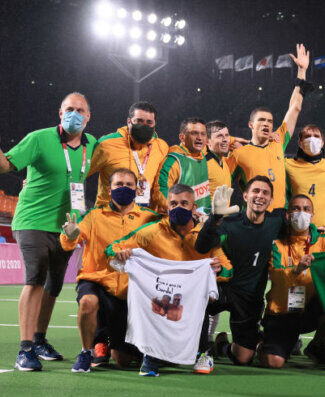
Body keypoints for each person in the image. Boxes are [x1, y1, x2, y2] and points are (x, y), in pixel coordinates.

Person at [0, 92, 98, 371]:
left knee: (54, 284)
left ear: (88, 116)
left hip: (67, 226)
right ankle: (25, 349)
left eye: (80, 110)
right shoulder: (39, 138)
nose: (75, 114)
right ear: (60, 113)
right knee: (36, 277)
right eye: (69, 109)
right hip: (32, 220)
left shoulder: (92, 145)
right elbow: (6, 165)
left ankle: (40, 340)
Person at [106, 184, 232, 376]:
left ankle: (203, 351)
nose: (178, 208)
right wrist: (120, 253)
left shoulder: (205, 234)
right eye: (173, 203)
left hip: (190, 297)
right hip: (160, 296)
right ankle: (151, 354)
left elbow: (228, 268)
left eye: (184, 203)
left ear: (194, 207)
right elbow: (113, 247)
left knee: (203, 297)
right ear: (166, 205)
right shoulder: (153, 231)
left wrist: (219, 268)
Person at [60, 168, 160, 372]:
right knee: (88, 302)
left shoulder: (150, 218)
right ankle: (86, 353)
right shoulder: (94, 216)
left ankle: (115, 345)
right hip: (94, 279)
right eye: (118, 184)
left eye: (129, 185)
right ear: (109, 188)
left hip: (128, 287)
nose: (124, 188)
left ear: (137, 189)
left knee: (122, 359)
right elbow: (71, 242)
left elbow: (170, 240)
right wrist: (69, 236)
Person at [194, 176, 288, 366]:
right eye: (255, 191)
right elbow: (201, 247)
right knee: (198, 299)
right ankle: (201, 350)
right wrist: (215, 217)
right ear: (245, 196)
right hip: (224, 288)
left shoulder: (276, 222)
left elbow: (302, 234)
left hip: (249, 297)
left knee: (243, 358)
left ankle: (222, 346)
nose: (260, 196)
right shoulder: (230, 223)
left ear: (271, 200)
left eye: (265, 193)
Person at [259, 196, 325, 368]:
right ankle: (261, 343)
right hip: (283, 311)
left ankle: (317, 345)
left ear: (312, 215)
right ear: (287, 215)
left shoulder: (324, 240)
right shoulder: (276, 242)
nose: (301, 213)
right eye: (296, 209)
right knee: (272, 363)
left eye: (306, 209)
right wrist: (296, 269)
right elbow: (277, 277)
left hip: (311, 309)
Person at [231, 44, 312, 211]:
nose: (267, 124)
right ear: (251, 125)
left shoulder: (278, 140)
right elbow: (221, 181)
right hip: (255, 218)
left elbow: (295, 108)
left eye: (270, 121)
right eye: (261, 120)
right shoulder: (238, 153)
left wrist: (301, 71)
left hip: (280, 217)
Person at [89, 101, 169, 212]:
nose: (144, 126)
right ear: (129, 121)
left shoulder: (161, 147)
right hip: (109, 219)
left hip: (144, 220)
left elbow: (161, 185)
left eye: (149, 122)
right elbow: (80, 174)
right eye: (139, 121)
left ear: (155, 124)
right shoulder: (107, 144)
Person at [285, 124, 325, 227]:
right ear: (300, 143)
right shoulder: (288, 164)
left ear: (322, 143)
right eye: (307, 136)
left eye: (316, 136)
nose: (312, 139)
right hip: (298, 228)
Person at [156, 118, 212, 213]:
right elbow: (160, 189)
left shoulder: (201, 153)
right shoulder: (174, 161)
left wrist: (230, 141)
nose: (199, 137)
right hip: (182, 223)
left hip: (203, 220)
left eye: (203, 134)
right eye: (194, 133)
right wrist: (179, 213)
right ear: (182, 137)